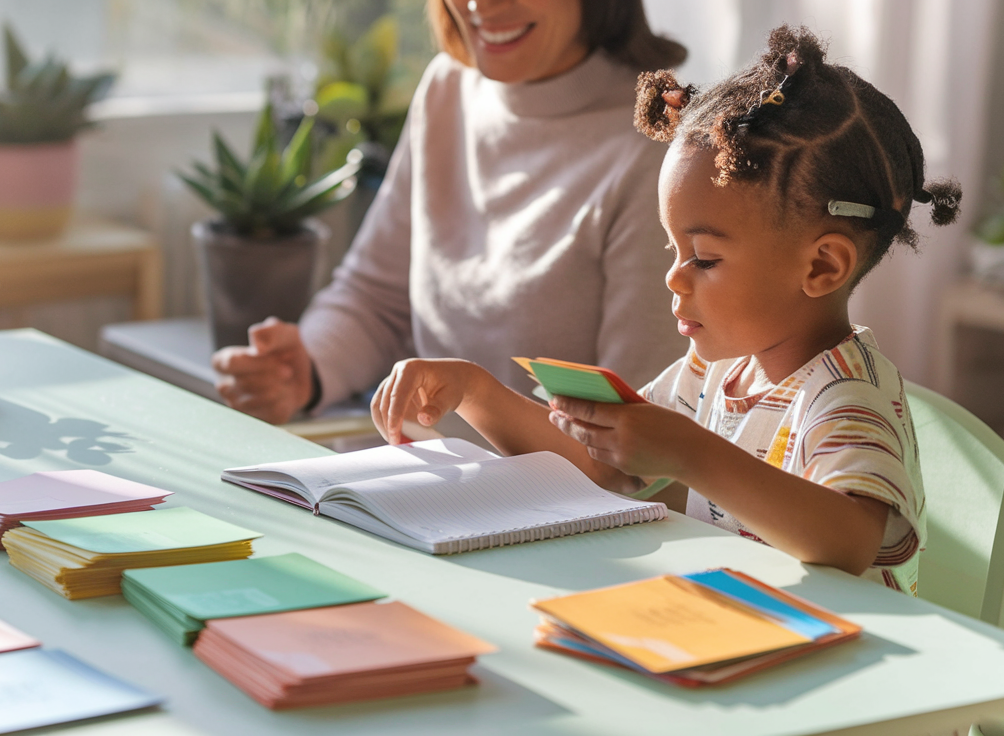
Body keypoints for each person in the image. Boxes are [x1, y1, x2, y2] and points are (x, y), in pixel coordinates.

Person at [369, 25, 963, 594]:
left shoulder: (845, 394)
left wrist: (689, 453)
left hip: (848, 671)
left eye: (704, 258)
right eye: (673, 248)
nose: (674, 276)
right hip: (741, 644)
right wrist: (476, 392)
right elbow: (600, 469)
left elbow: (849, 539)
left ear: (821, 268)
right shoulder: (713, 372)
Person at [211, 0, 689, 425]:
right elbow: (377, 298)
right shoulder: (448, 87)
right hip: (431, 483)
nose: (481, 5)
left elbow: (632, 438)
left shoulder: (661, 149)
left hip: (557, 510)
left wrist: (477, 399)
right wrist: (306, 370)